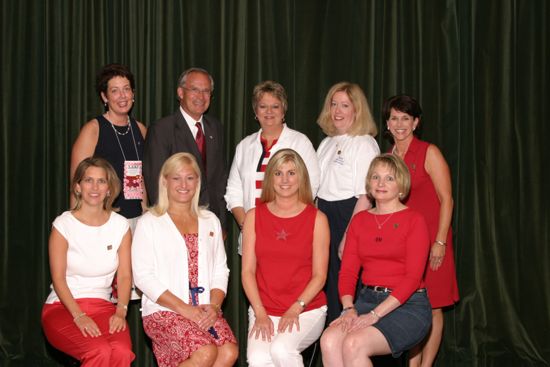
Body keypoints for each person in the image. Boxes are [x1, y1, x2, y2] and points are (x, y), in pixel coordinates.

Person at [320, 154, 432, 367]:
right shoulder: (360, 220)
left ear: (401, 185)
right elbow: (348, 271)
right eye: (376, 177)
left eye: (389, 178)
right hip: (367, 300)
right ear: (369, 183)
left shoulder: (414, 220)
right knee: (329, 340)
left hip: (408, 305)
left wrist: (374, 315)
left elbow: (412, 278)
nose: (381, 183)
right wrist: (348, 307)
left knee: (354, 344)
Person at [132, 153, 238, 367]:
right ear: (165, 181)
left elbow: (220, 270)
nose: (183, 184)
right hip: (163, 310)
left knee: (228, 352)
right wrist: (185, 309)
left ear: (198, 182)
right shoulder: (149, 222)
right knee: (205, 352)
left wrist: (215, 306)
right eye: (176, 178)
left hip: (205, 308)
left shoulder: (210, 221)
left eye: (190, 178)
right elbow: (143, 277)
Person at [383, 94, 459, 367]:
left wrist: (439, 242)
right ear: (387, 124)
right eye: (394, 118)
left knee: (433, 306)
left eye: (406, 118)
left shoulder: (429, 152)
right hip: (402, 246)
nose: (400, 124)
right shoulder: (388, 158)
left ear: (416, 123)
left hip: (432, 243)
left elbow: (447, 199)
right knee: (410, 305)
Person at [41, 157, 134, 366]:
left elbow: (125, 276)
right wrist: (78, 315)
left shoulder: (120, 226)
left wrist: (121, 311)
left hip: (104, 307)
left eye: (101, 181)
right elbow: (58, 279)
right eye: (88, 180)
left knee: (121, 352)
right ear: (78, 186)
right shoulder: (63, 224)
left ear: (109, 189)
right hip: (63, 307)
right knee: (99, 351)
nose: (95, 187)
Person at [241, 149, 329, 367]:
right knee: (258, 359)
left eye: (291, 173)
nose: (285, 180)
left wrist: (296, 308)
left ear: (301, 178)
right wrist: (260, 312)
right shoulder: (253, 216)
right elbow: (247, 272)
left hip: (306, 308)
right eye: (278, 173)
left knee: (282, 350)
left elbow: (320, 276)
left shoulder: (317, 219)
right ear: (270, 178)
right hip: (264, 308)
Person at [225, 80, 320, 253]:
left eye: (275, 106)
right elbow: (233, 192)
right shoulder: (244, 146)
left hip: (290, 233)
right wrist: (247, 224)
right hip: (252, 236)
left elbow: (310, 187)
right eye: (263, 106)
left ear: (283, 110)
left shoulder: (300, 142)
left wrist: (284, 223)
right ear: (255, 111)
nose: (269, 112)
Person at [316, 82, 380, 322]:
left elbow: (366, 195)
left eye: (345, 105)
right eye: (334, 104)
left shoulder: (364, 143)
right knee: (329, 285)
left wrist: (349, 235)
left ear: (357, 110)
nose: (337, 111)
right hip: (324, 216)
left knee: (348, 286)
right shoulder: (327, 143)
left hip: (349, 216)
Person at [143, 67, 227, 228]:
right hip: (175, 223)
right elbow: (156, 184)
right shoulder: (161, 130)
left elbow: (220, 179)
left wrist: (221, 223)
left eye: (206, 91)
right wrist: (168, 225)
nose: (201, 96)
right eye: (194, 90)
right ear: (181, 93)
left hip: (211, 223)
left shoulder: (215, 128)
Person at [71, 63, 147, 231]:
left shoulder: (140, 129)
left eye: (126, 89)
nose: (122, 96)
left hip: (137, 220)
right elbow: (76, 184)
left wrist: (145, 213)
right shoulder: (93, 130)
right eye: (115, 91)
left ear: (133, 93)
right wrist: (78, 228)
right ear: (105, 97)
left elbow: (141, 179)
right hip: (103, 221)